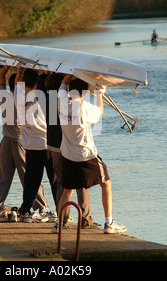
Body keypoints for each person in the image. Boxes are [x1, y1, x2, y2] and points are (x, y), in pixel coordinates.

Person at [52, 75, 127, 234]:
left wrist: (73, 73)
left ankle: (58, 224)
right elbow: (99, 112)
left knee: (67, 190)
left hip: (68, 155)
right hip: (86, 154)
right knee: (106, 183)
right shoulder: (84, 107)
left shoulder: (61, 102)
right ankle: (109, 223)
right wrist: (100, 91)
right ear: (85, 92)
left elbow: (62, 84)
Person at [41, 72, 101, 229]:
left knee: (64, 187)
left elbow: (53, 86)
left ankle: (62, 220)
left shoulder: (47, 100)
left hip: (56, 148)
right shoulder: (71, 104)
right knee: (83, 186)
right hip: (72, 150)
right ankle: (85, 218)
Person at [0, 67, 50, 215]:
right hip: (22, 141)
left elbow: (1, 80)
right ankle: (41, 206)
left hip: (5, 140)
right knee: (30, 178)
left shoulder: (4, 97)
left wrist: (14, 71)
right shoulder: (26, 97)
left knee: (3, 176)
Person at [14, 66, 57, 223]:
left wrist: (19, 71)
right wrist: (46, 74)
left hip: (30, 145)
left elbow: (18, 84)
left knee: (31, 180)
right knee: (54, 180)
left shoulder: (19, 95)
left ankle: (25, 211)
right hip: (45, 144)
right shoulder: (41, 96)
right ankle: (61, 211)